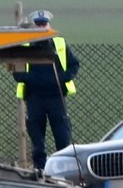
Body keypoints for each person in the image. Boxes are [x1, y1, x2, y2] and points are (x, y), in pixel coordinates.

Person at [13, 10, 80, 169]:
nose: (42, 27)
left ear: (49, 25)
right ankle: (40, 170)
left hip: (57, 97)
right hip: (34, 98)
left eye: (44, 24)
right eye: (38, 24)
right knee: (37, 140)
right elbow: (16, 71)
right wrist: (31, 79)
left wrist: (62, 77)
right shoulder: (26, 45)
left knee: (62, 137)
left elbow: (74, 64)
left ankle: (64, 170)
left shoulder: (59, 43)